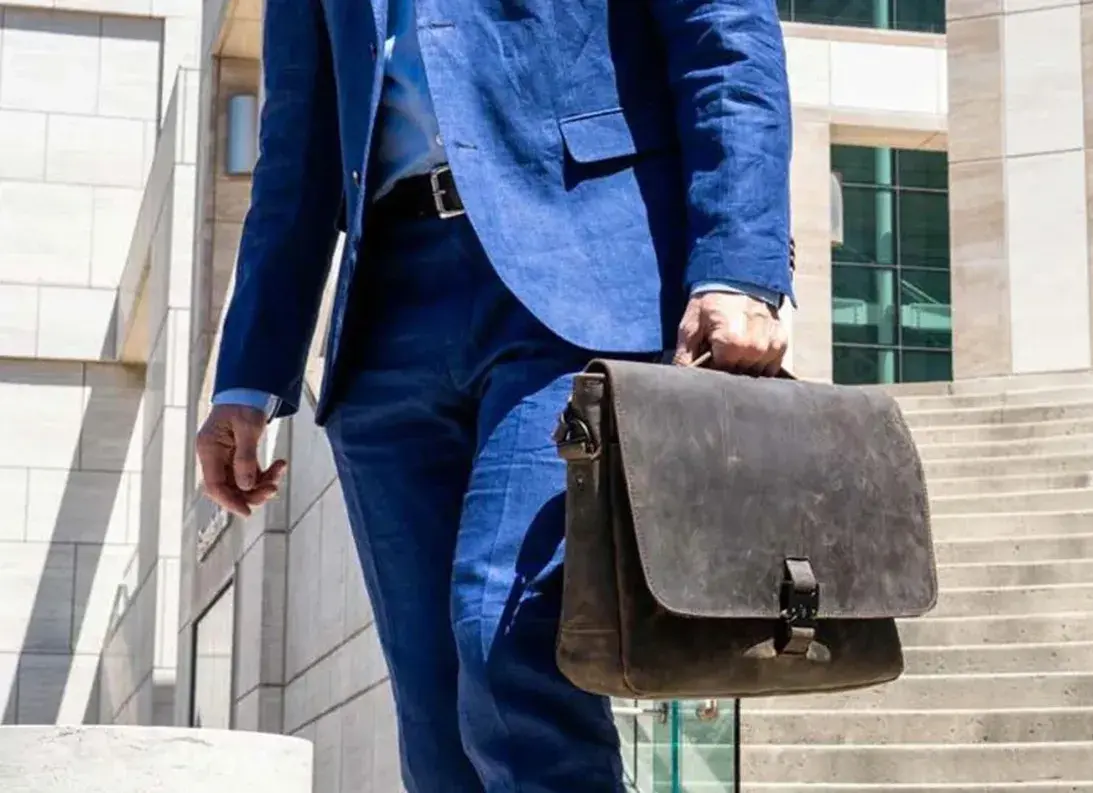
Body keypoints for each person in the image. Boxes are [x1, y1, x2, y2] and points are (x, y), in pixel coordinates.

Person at [194, 0, 794, 788]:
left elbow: (725, 39)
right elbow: (295, 150)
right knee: (434, 704)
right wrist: (250, 375)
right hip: (386, 313)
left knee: (505, 636)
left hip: (574, 279)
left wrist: (737, 266)